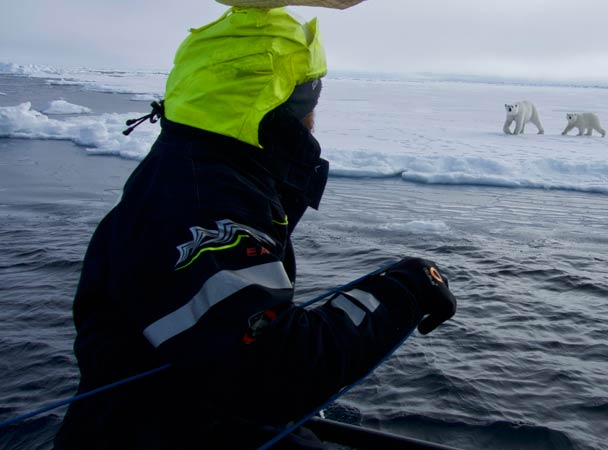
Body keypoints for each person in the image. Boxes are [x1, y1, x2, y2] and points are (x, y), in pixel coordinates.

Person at [53, 1, 457, 449]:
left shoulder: (206, 169)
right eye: (309, 96)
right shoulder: (203, 201)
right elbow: (271, 367)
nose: (314, 117)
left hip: (182, 419)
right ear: (278, 108)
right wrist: (404, 291)